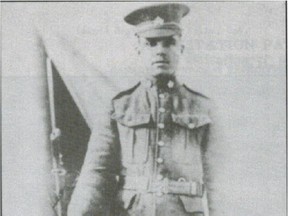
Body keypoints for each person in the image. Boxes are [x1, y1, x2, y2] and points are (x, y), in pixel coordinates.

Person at [68, 3, 221, 216]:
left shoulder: (204, 108)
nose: (160, 50)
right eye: (151, 43)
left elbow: (221, 183)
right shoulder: (119, 107)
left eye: (169, 43)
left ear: (181, 48)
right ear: (138, 49)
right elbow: (96, 174)